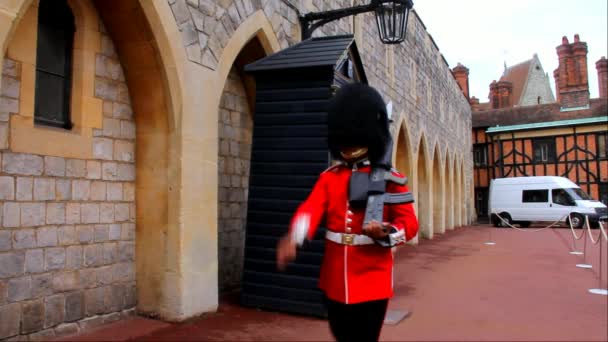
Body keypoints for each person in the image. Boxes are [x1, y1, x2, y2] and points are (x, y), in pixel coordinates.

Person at [276, 83, 419, 342]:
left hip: (373, 276)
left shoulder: (392, 179)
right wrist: (295, 237)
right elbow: (311, 209)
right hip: (334, 277)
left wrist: (386, 233)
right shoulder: (330, 179)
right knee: (341, 334)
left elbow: (409, 223)